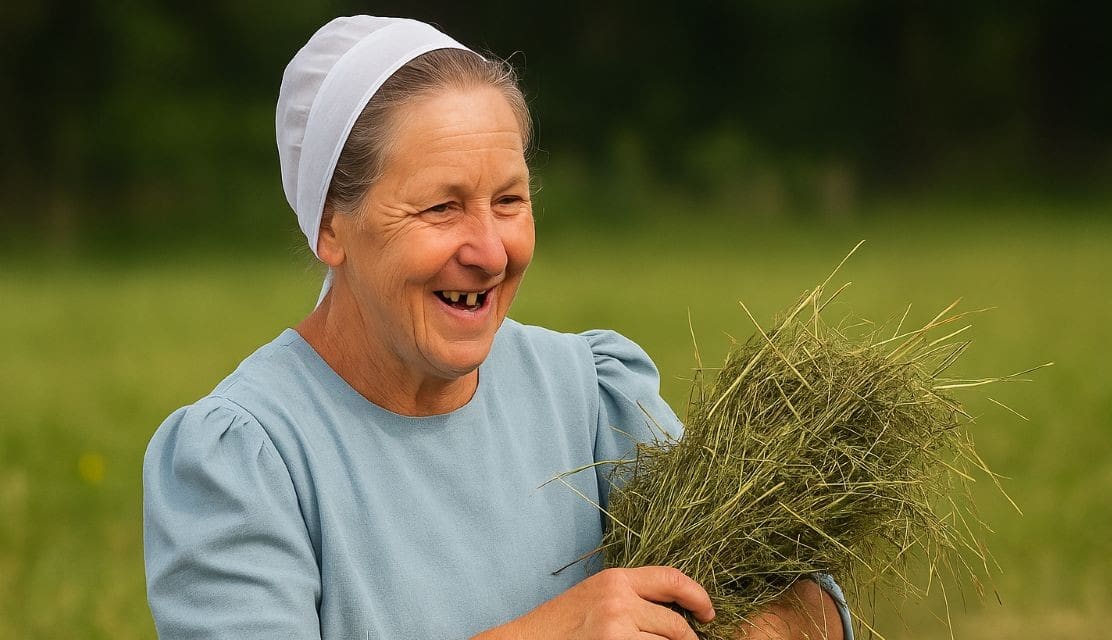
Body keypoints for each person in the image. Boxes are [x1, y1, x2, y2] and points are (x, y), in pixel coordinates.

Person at [142, 16, 853, 640]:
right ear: (332, 225)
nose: (490, 251)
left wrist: (778, 626)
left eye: (509, 200)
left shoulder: (589, 397)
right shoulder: (246, 459)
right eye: (441, 208)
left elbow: (794, 591)